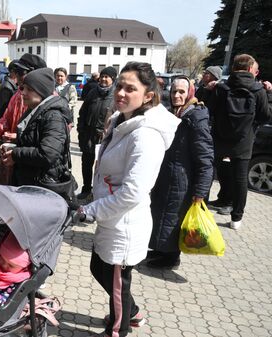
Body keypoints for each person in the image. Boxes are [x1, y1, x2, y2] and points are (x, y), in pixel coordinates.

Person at [76, 62, 180, 337]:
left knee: (118, 283)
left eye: (130, 88)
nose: (120, 92)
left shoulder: (146, 136)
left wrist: (91, 209)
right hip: (112, 218)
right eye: (120, 86)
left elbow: (133, 191)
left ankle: (119, 327)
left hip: (125, 222)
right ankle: (132, 313)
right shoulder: (122, 120)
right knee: (99, 267)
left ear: (148, 96)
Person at [148, 76, 214, 269]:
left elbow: (205, 158)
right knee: (162, 216)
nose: (177, 95)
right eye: (174, 91)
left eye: (181, 92)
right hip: (166, 177)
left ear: (190, 93)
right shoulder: (174, 114)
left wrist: (200, 191)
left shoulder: (196, 118)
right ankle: (160, 251)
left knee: (173, 219)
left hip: (183, 181)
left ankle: (171, 258)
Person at [207, 54, 271, 230]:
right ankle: (236, 218)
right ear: (251, 69)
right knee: (240, 178)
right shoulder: (258, 90)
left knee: (209, 173)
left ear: (234, 68)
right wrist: (269, 94)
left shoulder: (222, 87)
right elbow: (266, 116)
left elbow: (209, 110)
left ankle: (202, 208)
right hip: (244, 141)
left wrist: (209, 89)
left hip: (219, 138)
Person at [1, 68, 76, 205]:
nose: (23, 93)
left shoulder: (53, 116)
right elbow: (36, 138)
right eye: (23, 88)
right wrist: (16, 141)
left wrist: (16, 154)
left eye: (29, 89)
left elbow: (48, 154)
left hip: (43, 185)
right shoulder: (35, 111)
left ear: (41, 91)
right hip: (32, 181)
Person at [0, 54, 47, 185]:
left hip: (34, 167)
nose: (17, 76)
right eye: (16, 71)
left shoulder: (47, 100)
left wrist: (17, 136)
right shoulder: (18, 94)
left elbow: (49, 146)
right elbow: (5, 118)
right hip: (13, 158)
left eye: (21, 72)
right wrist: (3, 131)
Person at [76, 66, 117, 200]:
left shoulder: (116, 95)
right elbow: (82, 112)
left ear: (113, 79)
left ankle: (99, 194)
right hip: (88, 135)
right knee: (86, 164)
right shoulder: (93, 92)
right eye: (102, 76)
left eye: (107, 77)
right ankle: (86, 189)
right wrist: (80, 129)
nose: (104, 79)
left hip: (104, 138)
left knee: (102, 168)